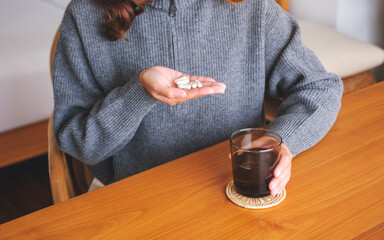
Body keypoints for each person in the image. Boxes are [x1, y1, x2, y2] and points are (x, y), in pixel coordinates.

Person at [53, 0, 343, 196]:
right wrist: (138, 92)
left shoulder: (252, 8)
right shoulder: (83, 15)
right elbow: (78, 141)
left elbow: (320, 87)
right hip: (136, 199)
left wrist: (283, 139)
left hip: (235, 190)